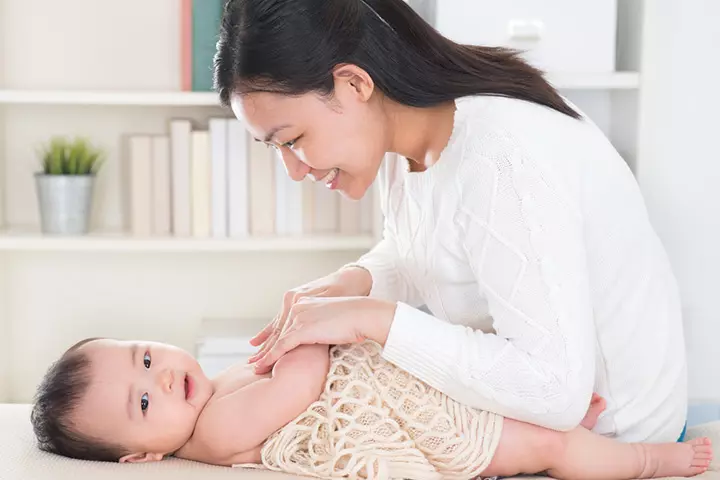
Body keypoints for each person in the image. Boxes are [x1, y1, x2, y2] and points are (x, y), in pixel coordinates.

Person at [213, 0, 688, 444]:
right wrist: (356, 281)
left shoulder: (500, 158)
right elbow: (432, 248)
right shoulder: (409, 141)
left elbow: (557, 391)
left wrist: (373, 319)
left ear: (354, 84)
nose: (294, 171)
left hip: (614, 437)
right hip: (544, 423)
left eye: (292, 140)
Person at [31, 337, 711, 479]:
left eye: (146, 356)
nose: (162, 375)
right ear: (145, 454)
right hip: (410, 428)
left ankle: (562, 419)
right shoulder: (210, 435)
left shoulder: (212, 388)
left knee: (497, 388)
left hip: (407, 392)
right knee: (545, 449)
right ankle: (659, 459)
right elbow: (299, 388)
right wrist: (311, 331)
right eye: (143, 400)